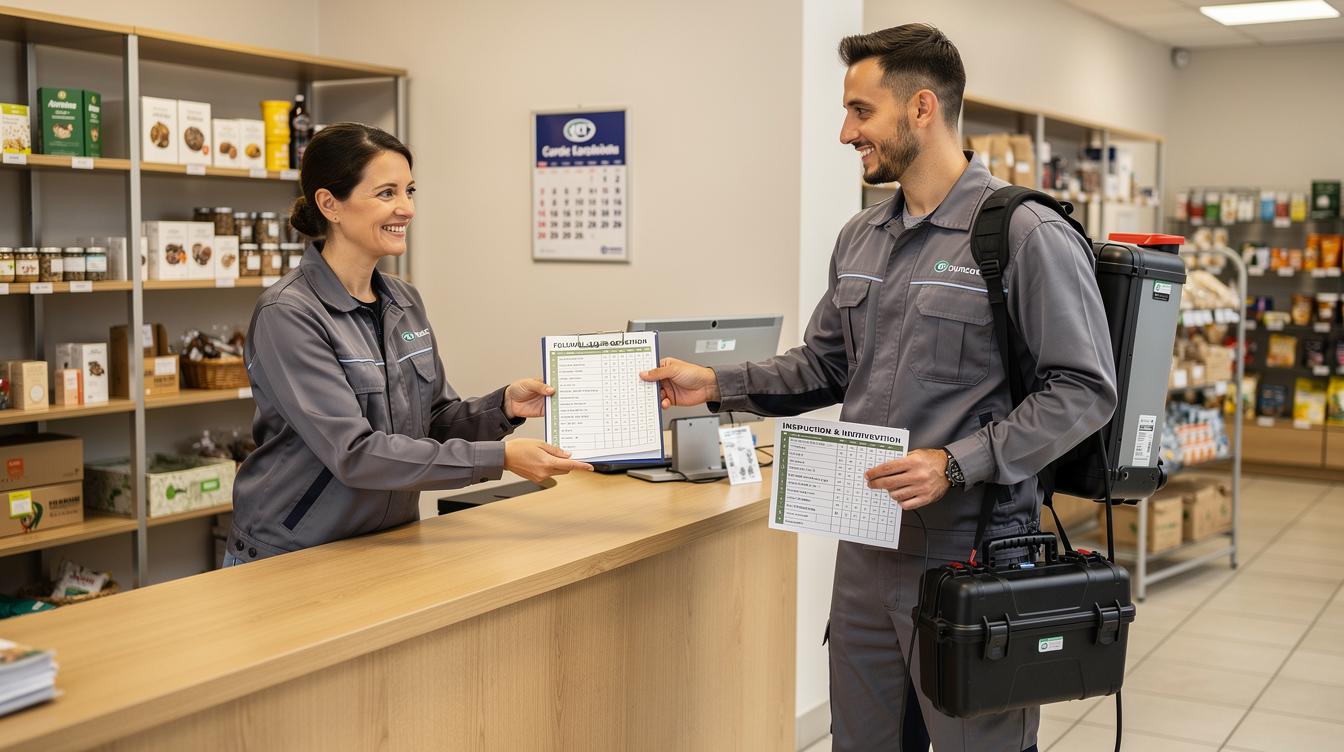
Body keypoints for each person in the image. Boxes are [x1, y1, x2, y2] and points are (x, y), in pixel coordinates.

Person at [640, 24, 1117, 752]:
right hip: (865, 547)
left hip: (974, 550)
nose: (844, 132)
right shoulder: (861, 238)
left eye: (861, 112)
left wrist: (957, 462)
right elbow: (824, 367)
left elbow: (1084, 390)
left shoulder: (1023, 234)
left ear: (921, 108)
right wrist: (714, 383)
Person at [225, 123, 591, 566]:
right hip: (296, 552)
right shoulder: (289, 313)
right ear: (330, 204)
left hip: (390, 540)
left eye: (410, 191)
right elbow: (354, 454)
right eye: (386, 193)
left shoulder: (404, 299)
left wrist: (504, 407)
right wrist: (501, 457)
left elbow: (433, 422)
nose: (407, 209)